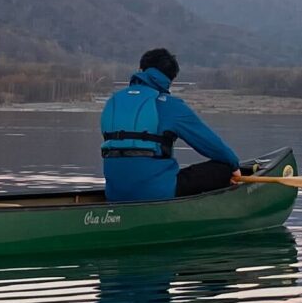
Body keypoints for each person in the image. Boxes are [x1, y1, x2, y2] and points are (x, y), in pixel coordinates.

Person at [98, 48, 241, 202]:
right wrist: (234, 166)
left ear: (140, 70)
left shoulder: (113, 102)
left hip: (114, 193)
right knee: (223, 167)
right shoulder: (171, 105)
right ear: (170, 79)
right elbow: (212, 145)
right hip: (156, 193)